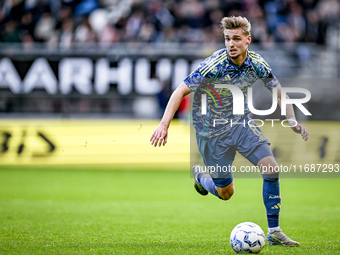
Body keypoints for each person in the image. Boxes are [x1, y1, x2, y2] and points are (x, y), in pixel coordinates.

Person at [150, 16, 309, 247]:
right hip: (212, 132)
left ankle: (274, 231)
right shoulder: (214, 65)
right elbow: (180, 90)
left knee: (271, 168)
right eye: (227, 39)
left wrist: (292, 120)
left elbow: (279, 91)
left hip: (241, 124)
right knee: (226, 193)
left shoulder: (257, 63)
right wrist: (164, 124)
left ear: (248, 40)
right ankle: (201, 178)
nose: (230, 44)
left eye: (236, 39)